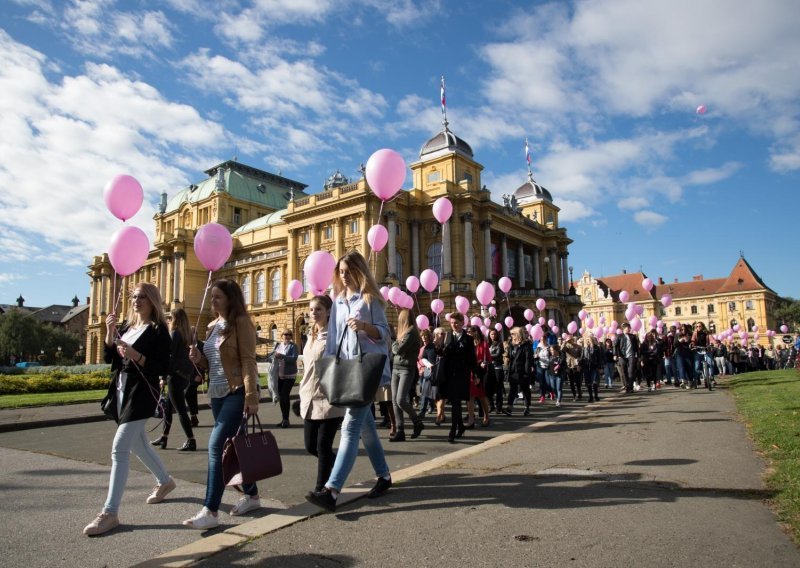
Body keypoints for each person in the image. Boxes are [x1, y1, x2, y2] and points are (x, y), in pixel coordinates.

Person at [84, 283, 175, 536]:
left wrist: (137, 356)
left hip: (142, 394)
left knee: (119, 448)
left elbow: (161, 367)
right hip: (122, 391)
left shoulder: (158, 331)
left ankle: (110, 512)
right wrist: (109, 332)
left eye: (142, 297)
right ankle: (165, 481)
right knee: (138, 445)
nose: (137, 300)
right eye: (134, 296)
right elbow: (110, 359)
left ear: (153, 300)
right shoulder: (127, 327)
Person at [306, 251, 392, 513]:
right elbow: (332, 339)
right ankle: (385, 476)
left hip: (365, 372)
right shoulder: (338, 300)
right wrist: (329, 369)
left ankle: (332, 491)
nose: (343, 276)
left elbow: (386, 335)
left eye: (347, 271)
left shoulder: (370, 299)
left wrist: (366, 327)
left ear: (359, 271)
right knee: (366, 429)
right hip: (347, 372)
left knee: (350, 428)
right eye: (340, 272)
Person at [183, 279, 262, 529]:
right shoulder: (212, 325)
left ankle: (210, 510)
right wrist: (199, 358)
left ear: (230, 298)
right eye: (212, 297)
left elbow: (248, 361)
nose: (212, 301)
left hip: (236, 391)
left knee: (216, 446)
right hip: (216, 393)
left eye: (218, 297)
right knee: (235, 448)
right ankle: (252, 495)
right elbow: (212, 364)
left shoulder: (241, 323)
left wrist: (251, 396)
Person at [298, 295, 345, 493]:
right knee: (311, 447)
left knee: (323, 447)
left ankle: (321, 489)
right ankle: (339, 470)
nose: (313, 313)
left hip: (328, 397)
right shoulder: (310, 336)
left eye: (318, 309)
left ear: (328, 312)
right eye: (311, 309)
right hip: (309, 396)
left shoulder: (334, 337)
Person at [151, 308, 197, 451]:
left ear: (175, 319)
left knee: (181, 410)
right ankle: (164, 437)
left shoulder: (175, 333)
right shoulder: (187, 334)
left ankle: (191, 440)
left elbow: (168, 356)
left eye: (170, 318)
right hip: (184, 375)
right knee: (168, 408)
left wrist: (163, 377)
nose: (169, 320)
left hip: (174, 376)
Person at [440, 314, 482, 442]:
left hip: (462, 374)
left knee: (456, 401)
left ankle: (453, 430)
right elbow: (442, 354)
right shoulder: (447, 336)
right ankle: (460, 427)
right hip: (449, 373)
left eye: (456, 322)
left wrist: (476, 374)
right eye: (452, 322)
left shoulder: (468, 339)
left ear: (462, 322)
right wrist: (439, 347)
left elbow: (472, 359)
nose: (454, 325)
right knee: (454, 401)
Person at [390, 309, 424, 441]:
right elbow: (398, 351)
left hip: (406, 369)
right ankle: (400, 430)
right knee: (394, 401)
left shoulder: (411, 332)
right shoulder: (403, 332)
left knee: (400, 400)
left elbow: (398, 349)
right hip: (396, 368)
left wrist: (394, 342)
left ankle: (417, 422)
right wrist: (397, 345)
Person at [271, 328, 299, 428]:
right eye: (285, 334)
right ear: (282, 336)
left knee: (284, 395)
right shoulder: (278, 346)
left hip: (290, 375)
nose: (287, 336)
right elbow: (272, 356)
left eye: (289, 335)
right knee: (281, 397)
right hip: (279, 374)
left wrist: (282, 356)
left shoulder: (293, 346)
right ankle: (284, 419)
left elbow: (294, 358)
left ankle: (286, 420)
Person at [465, 326, 491, 427]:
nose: (468, 333)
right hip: (469, 372)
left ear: (475, 332)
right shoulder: (467, 344)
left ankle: (486, 416)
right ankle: (471, 419)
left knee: (481, 396)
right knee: (470, 397)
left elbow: (488, 358)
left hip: (479, 372)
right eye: (467, 331)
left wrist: (482, 362)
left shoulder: (483, 344)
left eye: (469, 331)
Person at [505, 327, 534, 415]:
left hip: (523, 371)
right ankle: (509, 408)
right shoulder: (511, 345)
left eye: (513, 334)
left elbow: (528, 359)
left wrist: (527, 372)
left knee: (525, 390)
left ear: (518, 334)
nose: (511, 336)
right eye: (511, 334)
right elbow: (510, 358)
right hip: (513, 370)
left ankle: (527, 407)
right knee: (512, 389)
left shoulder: (526, 345)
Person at [417, 328, 437, 418]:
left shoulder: (432, 347)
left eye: (425, 335)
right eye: (422, 336)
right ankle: (431, 405)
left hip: (429, 370)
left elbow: (432, 360)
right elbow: (418, 359)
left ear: (429, 337)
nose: (424, 337)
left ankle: (422, 411)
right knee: (423, 389)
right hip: (422, 370)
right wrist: (420, 367)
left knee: (425, 391)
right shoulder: (421, 348)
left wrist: (425, 367)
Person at [614, 322, 640, 393]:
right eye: (628, 328)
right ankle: (626, 386)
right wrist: (616, 354)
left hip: (631, 356)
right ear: (624, 328)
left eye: (630, 328)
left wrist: (638, 355)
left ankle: (631, 387)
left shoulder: (633, 336)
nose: (629, 329)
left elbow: (636, 347)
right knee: (624, 372)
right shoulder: (619, 336)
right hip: (622, 357)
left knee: (630, 372)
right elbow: (616, 346)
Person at [487, 328, 506, 414]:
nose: (493, 336)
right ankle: (491, 405)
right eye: (491, 334)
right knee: (488, 388)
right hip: (489, 368)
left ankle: (499, 407)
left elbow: (498, 354)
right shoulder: (487, 344)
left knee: (498, 388)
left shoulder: (499, 344)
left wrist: (488, 356)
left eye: (494, 334)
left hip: (497, 368)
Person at [580, 331, 602, 402]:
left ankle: (596, 396)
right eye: (586, 340)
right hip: (586, 367)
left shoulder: (596, 348)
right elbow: (582, 357)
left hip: (594, 366)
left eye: (589, 339)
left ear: (592, 339)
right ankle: (591, 397)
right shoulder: (584, 348)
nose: (588, 341)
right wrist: (579, 364)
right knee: (588, 382)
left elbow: (599, 358)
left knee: (594, 381)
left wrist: (600, 367)